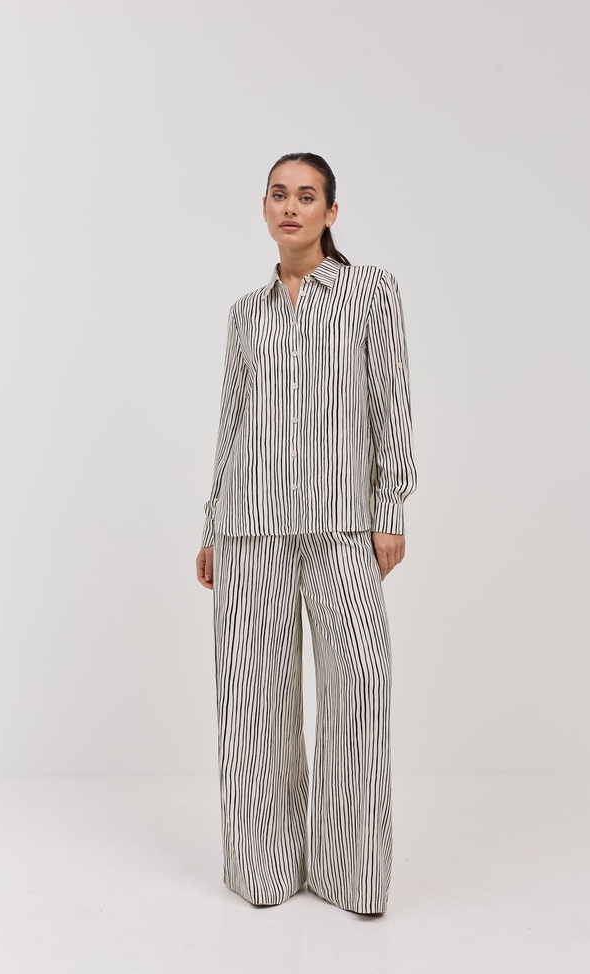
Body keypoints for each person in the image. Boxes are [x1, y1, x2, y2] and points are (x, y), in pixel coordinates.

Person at [195, 151, 417, 916]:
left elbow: (391, 405)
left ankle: (349, 874)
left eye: (306, 195)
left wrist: (389, 510)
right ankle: (263, 871)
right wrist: (211, 524)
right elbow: (231, 421)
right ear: (264, 208)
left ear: (330, 212)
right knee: (252, 702)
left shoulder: (369, 292)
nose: (290, 207)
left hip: (341, 526)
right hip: (248, 525)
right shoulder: (244, 315)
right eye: (278, 195)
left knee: (361, 686)